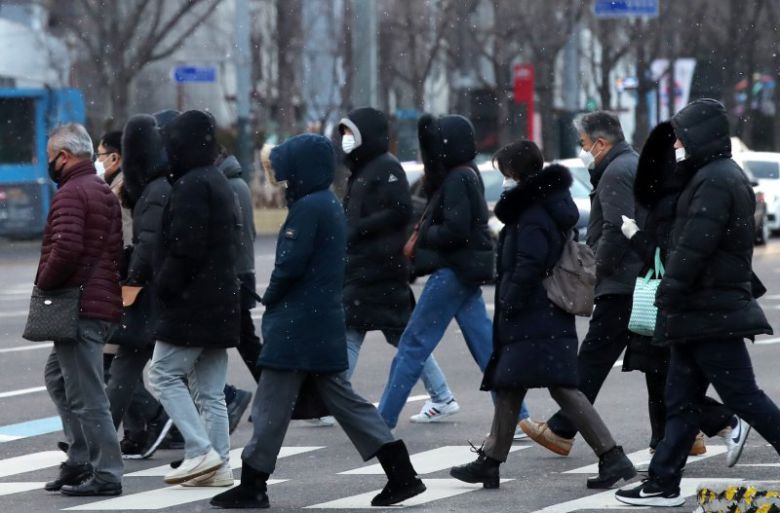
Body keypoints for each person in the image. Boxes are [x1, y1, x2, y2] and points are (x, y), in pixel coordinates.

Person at [210, 134, 426, 509]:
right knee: (346, 403)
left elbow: (289, 266)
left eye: (286, 169)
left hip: (298, 326)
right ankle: (401, 474)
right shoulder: (323, 202)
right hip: (317, 321)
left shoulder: (310, 207)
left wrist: (272, 295)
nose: (281, 177)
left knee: (269, 407)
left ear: (301, 168)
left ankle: (253, 485)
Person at [616, 99, 780, 507]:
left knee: (743, 397)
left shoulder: (717, 180)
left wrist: (669, 290)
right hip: (699, 310)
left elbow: (694, 247)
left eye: (682, 137)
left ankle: (663, 481)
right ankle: (662, 483)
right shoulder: (710, 175)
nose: (677, 146)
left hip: (710, 309)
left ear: (699, 136)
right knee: (680, 401)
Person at [450, 142, 635, 490]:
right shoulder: (547, 204)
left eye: (505, 171)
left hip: (535, 312)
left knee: (562, 388)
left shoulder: (532, 211)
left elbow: (531, 261)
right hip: (541, 313)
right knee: (510, 385)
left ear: (517, 172)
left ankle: (612, 457)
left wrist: (511, 299)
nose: (503, 179)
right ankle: (490, 461)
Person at [377, 113, 529, 430]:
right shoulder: (467, 173)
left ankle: (383, 419)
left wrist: (424, 236)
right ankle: (518, 417)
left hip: (452, 272)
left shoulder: (458, 178)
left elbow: (456, 231)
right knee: (486, 348)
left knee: (412, 345)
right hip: (466, 272)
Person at [619, 120, 748, 463]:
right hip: (682, 302)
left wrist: (634, 237)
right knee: (671, 385)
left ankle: (716, 426)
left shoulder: (685, 193)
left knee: (678, 384)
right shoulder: (689, 187)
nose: (677, 146)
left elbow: (673, 255)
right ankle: (665, 462)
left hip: (681, 302)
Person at [520, 111, 645, 455]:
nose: (583, 150)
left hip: (622, 283)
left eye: (584, 144)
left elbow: (617, 230)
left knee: (592, 358)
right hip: (631, 280)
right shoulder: (625, 165)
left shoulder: (617, 172)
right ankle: (690, 430)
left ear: (601, 143)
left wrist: (593, 272)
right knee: (656, 363)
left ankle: (561, 428)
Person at [339, 107, 459, 424]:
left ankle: (334, 398)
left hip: (380, 267)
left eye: (351, 133)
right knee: (400, 338)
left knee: (363, 332)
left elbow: (400, 209)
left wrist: (358, 228)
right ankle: (442, 395)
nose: (346, 140)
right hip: (365, 266)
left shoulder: (386, 168)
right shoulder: (362, 168)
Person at [148, 110, 240, 487]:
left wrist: (164, 286)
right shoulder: (217, 180)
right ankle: (219, 467)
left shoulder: (190, 185)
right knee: (211, 393)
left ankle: (201, 451)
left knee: (162, 374)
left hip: (193, 303)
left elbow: (186, 247)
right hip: (221, 301)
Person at [39, 123, 124, 496]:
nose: (49, 165)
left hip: (78, 305)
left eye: (50, 158)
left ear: (64, 156)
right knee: (59, 377)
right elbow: (115, 249)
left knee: (88, 395)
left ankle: (106, 472)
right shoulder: (103, 191)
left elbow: (66, 249)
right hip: (97, 301)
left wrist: (44, 280)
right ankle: (79, 459)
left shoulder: (72, 192)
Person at [105, 113, 174, 461]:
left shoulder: (154, 190)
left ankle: (101, 447)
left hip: (145, 292)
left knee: (133, 369)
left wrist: (132, 279)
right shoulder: (154, 186)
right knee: (129, 367)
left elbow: (146, 244)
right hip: (152, 290)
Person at [216, 148, 260, 433]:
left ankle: (232, 397)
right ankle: (273, 393)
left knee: (241, 341)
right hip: (242, 271)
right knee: (246, 341)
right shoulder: (237, 182)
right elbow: (250, 232)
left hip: (233, 274)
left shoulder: (227, 185)